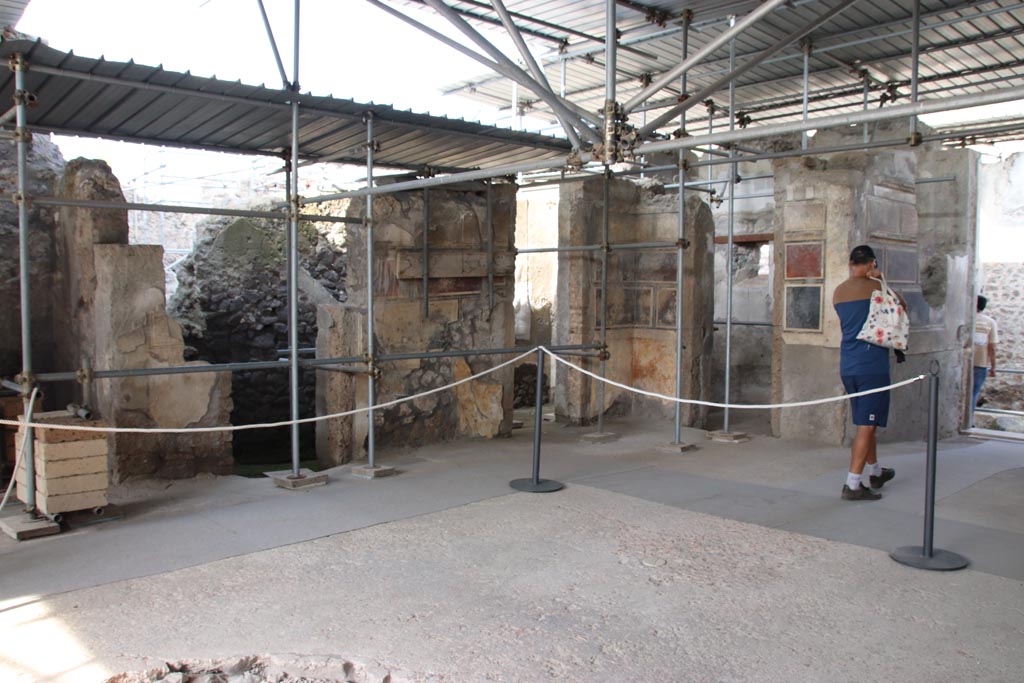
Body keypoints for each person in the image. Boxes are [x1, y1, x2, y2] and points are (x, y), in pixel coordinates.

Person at [832, 245, 905, 501]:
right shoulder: (875, 288)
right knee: (866, 425)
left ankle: (874, 472)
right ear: (871, 263)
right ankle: (852, 484)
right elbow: (900, 307)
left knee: (867, 422)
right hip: (871, 366)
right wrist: (882, 279)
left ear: (851, 263)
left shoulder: (839, 291)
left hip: (849, 364)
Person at [971, 295, 998, 427]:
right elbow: (992, 347)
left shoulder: (966, 320)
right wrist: (993, 366)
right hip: (980, 363)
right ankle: (968, 420)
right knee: (974, 393)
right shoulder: (990, 322)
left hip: (964, 362)